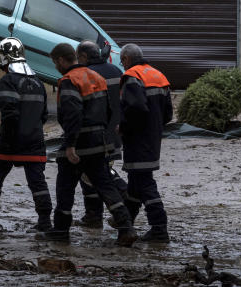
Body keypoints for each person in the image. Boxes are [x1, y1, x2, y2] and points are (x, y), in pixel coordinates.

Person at [36, 43, 136, 246]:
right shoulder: (96, 77)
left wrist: (70, 145)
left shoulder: (68, 81)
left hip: (79, 142)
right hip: (99, 140)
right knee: (105, 184)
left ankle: (61, 230)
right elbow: (109, 110)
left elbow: (72, 115)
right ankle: (126, 227)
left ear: (61, 60)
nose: (56, 67)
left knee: (65, 186)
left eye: (56, 63)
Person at [0, 37, 52, 231]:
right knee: (38, 183)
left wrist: (8, 138)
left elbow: (9, 113)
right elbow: (44, 115)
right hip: (35, 141)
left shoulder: (8, 80)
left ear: (7, 58)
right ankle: (45, 222)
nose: (0, 61)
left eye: (1, 57)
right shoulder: (38, 82)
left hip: (10, 141)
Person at [119, 43, 173, 243]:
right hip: (152, 138)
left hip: (137, 140)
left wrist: (123, 127)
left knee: (145, 183)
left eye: (122, 61)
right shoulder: (158, 75)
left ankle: (159, 228)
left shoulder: (132, 76)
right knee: (135, 183)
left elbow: (136, 108)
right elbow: (168, 113)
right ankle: (125, 223)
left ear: (126, 59)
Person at [74, 40, 128, 229]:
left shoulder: (85, 75)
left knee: (94, 173)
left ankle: (118, 195)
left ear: (83, 57)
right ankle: (93, 216)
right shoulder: (115, 71)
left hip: (95, 134)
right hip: (115, 133)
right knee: (94, 172)